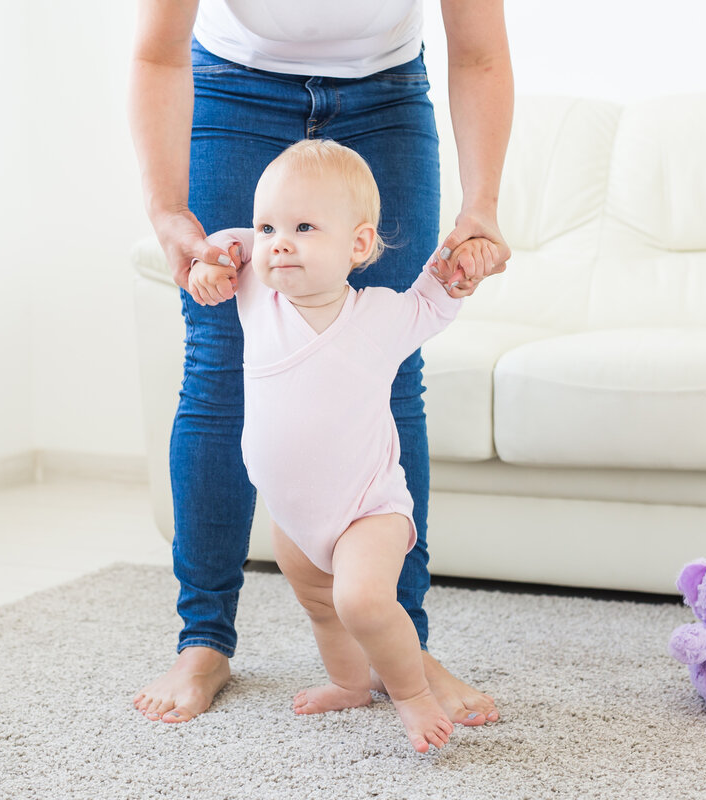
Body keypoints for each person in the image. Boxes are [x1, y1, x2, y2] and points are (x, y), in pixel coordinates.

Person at [130, 0, 513, 725]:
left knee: (388, 363)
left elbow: (480, 53)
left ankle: (403, 642)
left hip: (386, 92)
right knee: (218, 356)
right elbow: (158, 52)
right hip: (231, 85)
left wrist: (483, 204)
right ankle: (203, 640)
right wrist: (165, 210)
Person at [192, 139, 497, 752]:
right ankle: (348, 683)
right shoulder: (256, 296)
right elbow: (230, 241)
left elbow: (435, 301)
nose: (278, 241)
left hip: (367, 508)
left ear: (358, 245)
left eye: (304, 227)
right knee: (319, 605)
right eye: (270, 226)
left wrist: (456, 270)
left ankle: (409, 692)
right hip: (292, 511)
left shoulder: (381, 316)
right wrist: (211, 262)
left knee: (359, 601)